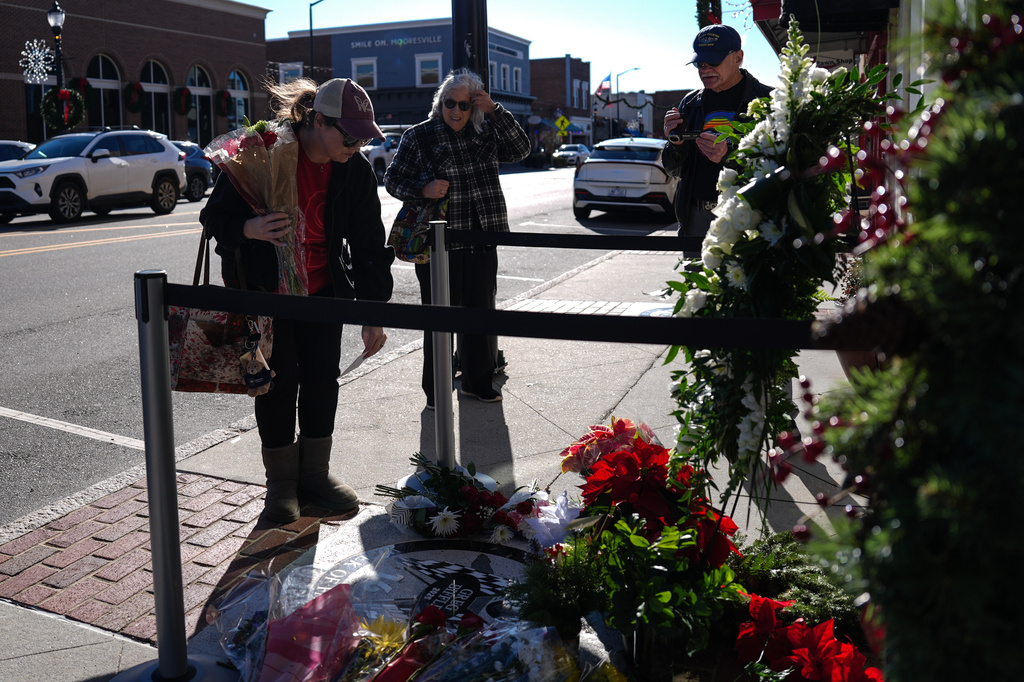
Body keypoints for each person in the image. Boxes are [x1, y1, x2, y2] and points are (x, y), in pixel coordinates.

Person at [200, 78, 395, 524]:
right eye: (349, 135)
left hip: (323, 291)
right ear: (317, 121)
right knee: (276, 383)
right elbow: (213, 218)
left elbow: (369, 246)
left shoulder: (355, 169)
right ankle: (281, 485)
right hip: (268, 293)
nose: (358, 144)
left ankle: (315, 475)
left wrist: (373, 313)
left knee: (324, 378)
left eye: (365, 136)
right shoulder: (263, 150)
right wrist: (249, 229)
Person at [384, 68, 530, 408]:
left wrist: (496, 111)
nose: (456, 111)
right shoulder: (419, 136)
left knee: (479, 314)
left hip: (481, 239)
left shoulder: (486, 129)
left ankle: (477, 382)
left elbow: (521, 149)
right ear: (441, 102)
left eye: (465, 105)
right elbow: (392, 180)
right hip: (437, 244)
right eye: (450, 103)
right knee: (438, 320)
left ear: (474, 107)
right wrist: (423, 189)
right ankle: (436, 390)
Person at [663, 24, 774, 239]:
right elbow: (673, 170)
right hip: (696, 217)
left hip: (748, 215)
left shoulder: (768, 100)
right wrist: (675, 145)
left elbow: (780, 167)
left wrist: (729, 157)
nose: (705, 69)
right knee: (694, 272)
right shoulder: (690, 102)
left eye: (713, 61)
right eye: (699, 63)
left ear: (738, 58)